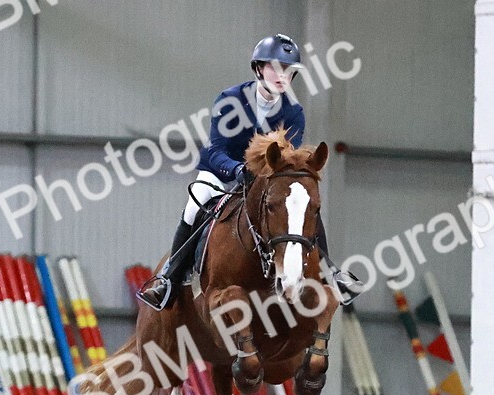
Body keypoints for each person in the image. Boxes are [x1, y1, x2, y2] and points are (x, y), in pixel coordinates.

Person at [138, 33, 342, 311]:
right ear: (259, 68)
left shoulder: (294, 112)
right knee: (191, 207)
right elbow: (215, 149)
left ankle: (332, 273)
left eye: (289, 70)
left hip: (265, 181)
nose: (283, 76)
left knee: (300, 204)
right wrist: (236, 170)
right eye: (276, 68)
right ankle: (169, 279)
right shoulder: (230, 100)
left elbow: (288, 159)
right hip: (221, 173)